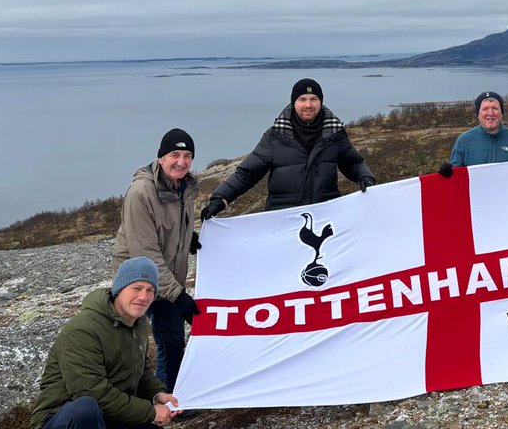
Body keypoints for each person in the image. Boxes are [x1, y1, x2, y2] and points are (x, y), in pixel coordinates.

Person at [30, 257, 187, 429]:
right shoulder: (82, 330)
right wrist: (149, 412)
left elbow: (141, 373)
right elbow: (91, 392)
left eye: (150, 291)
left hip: (106, 419)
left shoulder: (136, 324)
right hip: (57, 427)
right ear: (119, 288)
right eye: (136, 288)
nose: (143, 296)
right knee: (85, 408)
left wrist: (158, 394)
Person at [202, 78, 375, 219]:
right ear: (294, 102)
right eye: (302, 99)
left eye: (314, 99)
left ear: (320, 102)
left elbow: (353, 163)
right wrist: (220, 199)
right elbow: (246, 174)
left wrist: (366, 178)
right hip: (283, 219)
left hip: (325, 216)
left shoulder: (335, 133)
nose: (308, 104)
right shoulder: (275, 136)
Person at [113, 127, 200, 393]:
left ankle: (168, 396)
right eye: (175, 154)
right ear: (161, 158)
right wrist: (178, 295)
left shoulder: (183, 186)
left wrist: (188, 237)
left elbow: (168, 225)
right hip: (141, 279)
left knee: (172, 341)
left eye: (187, 155)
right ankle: (164, 401)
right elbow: (145, 253)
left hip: (166, 275)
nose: (181, 162)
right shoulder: (141, 193)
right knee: (166, 342)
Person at [439, 90, 508, 175]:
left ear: (501, 113)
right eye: (485, 109)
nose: (490, 113)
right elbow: (455, 176)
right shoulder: (464, 140)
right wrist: (447, 173)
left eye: (495, 108)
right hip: (477, 195)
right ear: (478, 114)